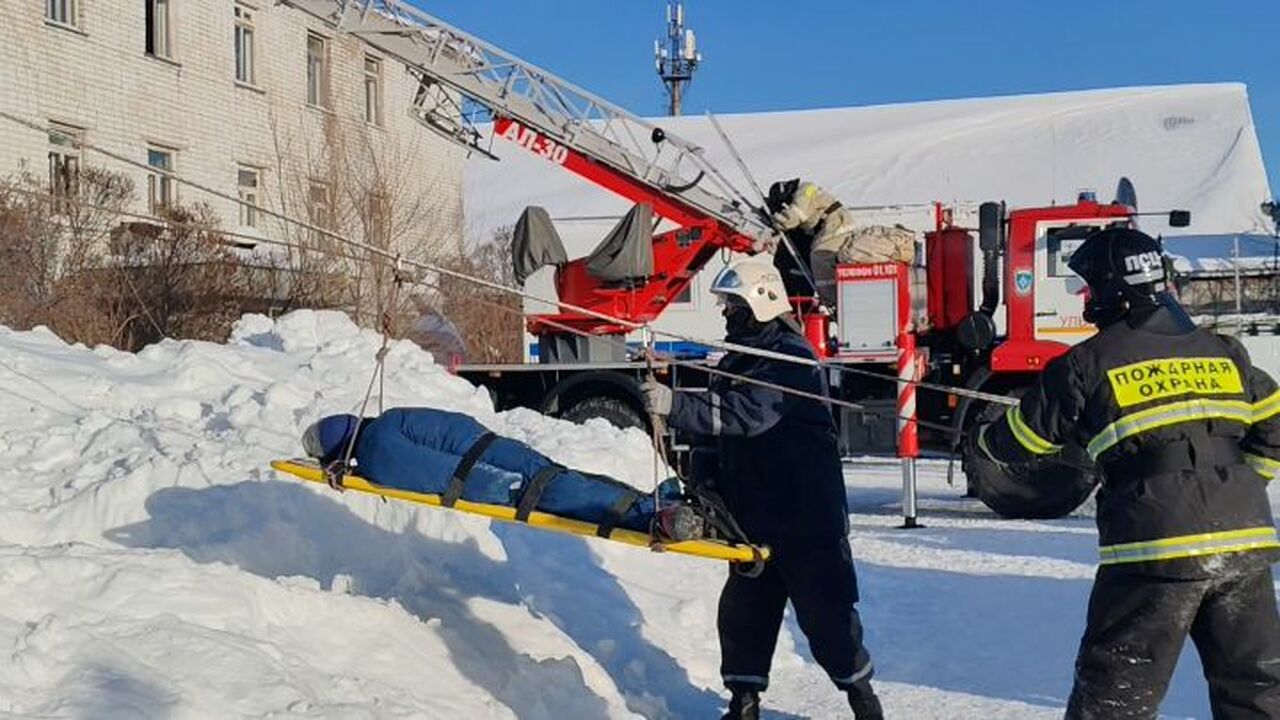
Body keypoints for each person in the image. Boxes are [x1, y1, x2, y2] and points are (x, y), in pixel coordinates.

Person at [970, 227, 1280, 718]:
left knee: (1115, 695)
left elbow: (1020, 441)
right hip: (1244, 541)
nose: (1085, 297)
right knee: (1256, 690)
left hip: (1156, 548)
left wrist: (983, 439)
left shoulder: (1089, 361)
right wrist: (1239, 485)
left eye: (1088, 287)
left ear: (1114, 290)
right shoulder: (1225, 350)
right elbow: (1275, 426)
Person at [641, 257, 883, 720]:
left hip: (806, 518)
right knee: (745, 614)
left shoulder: (791, 360)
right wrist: (703, 482)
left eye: (732, 305)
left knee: (827, 617)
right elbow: (719, 435)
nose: (725, 314)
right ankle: (743, 703)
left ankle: (864, 702)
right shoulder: (738, 359)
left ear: (759, 302)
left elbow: (745, 414)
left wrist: (675, 404)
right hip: (753, 517)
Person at [301, 407, 698, 540]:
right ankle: (659, 506)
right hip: (496, 451)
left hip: (495, 472)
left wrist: (500, 488)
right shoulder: (386, 423)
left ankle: (656, 517)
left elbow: (435, 473)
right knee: (566, 483)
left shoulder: (377, 451)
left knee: (563, 495)